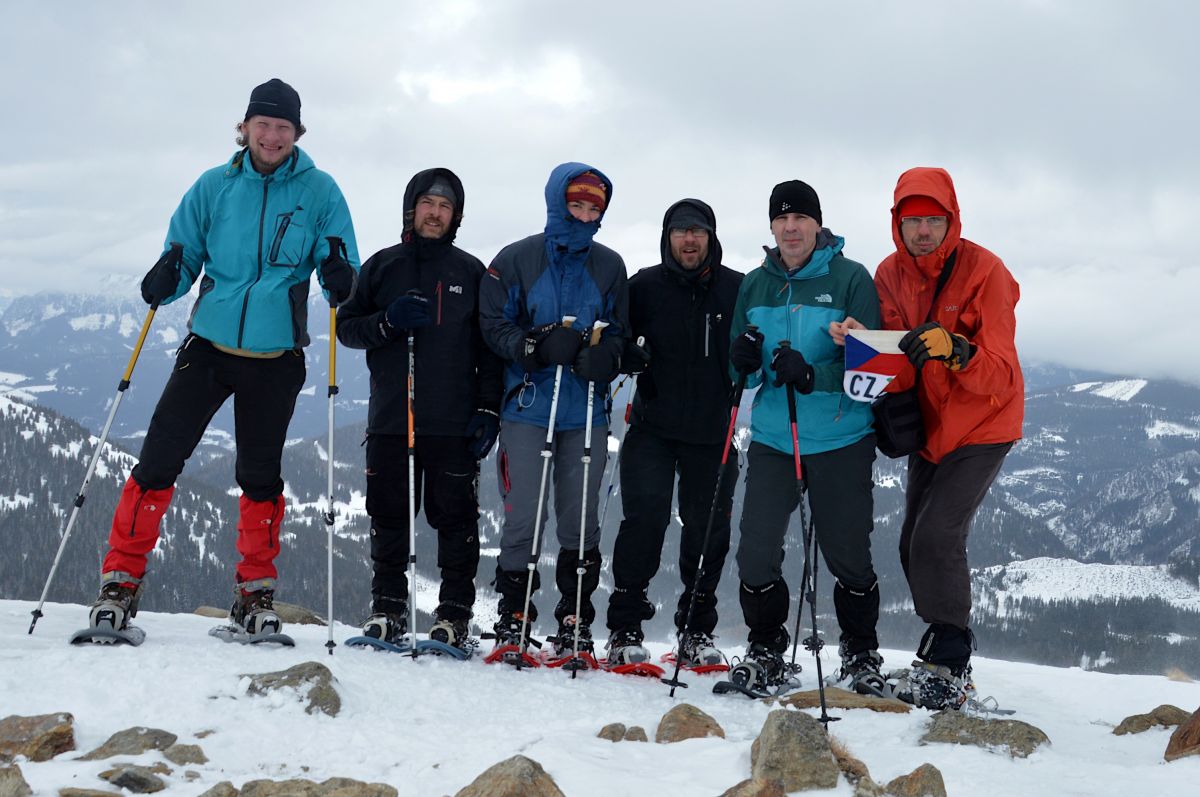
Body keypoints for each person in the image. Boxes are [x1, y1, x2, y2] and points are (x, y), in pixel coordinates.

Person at [87, 79, 359, 637]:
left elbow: (341, 262)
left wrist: (340, 276)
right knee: (159, 460)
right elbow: (183, 254)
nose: (273, 135)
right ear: (246, 128)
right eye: (264, 124)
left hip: (276, 356)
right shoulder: (214, 186)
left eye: (284, 127)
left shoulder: (321, 190)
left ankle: (255, 594)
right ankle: (120, 580)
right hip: (207, 348)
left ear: (297, 134)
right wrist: (168, 276)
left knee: (260, 476)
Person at [833, 166, 1023, 709]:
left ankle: (950, 658)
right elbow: (898, 364)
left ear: (950, 220)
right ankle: (940, 642)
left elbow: (1003, 372)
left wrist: (957, 350)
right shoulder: (889, 274)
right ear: (898, 222)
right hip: (933, 427)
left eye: (933, 220)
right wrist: (858, 344)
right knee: (911, 541)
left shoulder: (986, 272)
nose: (922, 230)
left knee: (938, 536)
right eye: (912, 220)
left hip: (984, 422)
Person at [336, 168, 503, 651]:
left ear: (457, 216)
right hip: (392, 418)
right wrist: (387, 322)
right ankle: (387, 609)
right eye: (428, 203)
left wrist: (489, 409)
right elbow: (348, 328)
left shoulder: (471, 272)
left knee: (455, 521)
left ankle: (453, 615)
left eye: (445, 206)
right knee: (389, 517)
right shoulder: (383, 266)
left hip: (454, 423)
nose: (435, 213)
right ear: (412, 208)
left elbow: (488, 347)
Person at [726, 179, 883, 693]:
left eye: (800, 219)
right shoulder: (755, 284)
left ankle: (861, 655)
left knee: (848, 556)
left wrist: (814, 375)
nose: (791, 228)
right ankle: (766, 646)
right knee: (755, 551)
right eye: (781, 219)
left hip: (840, 438)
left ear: (818, 224)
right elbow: (740, 372)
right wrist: (744, 364)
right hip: (775, 436)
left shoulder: (851, 279)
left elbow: (873, 368)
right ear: (771, 226)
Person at [479, 163, 628, 662]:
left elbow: (622, 333)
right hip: (527, 406)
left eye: (594, 208)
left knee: (580, 520)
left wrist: (607, 357)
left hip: (585, 408)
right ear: (557, 202)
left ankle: (575, 615)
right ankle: (514, 613)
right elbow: (492, 323)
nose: (585, 215)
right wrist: (532, 349)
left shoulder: (609, 266)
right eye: (577, 204)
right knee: (522, 515)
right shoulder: (517, 259)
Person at [604, 199, 743, 670]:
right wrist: (626, 355)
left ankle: (696, 629)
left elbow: (755, 356)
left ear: (711, 237)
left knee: (708, 533)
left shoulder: (736, 290)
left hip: (713, 432)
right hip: (652, 428)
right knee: (643, 522)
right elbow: (616, 340)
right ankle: (624, 626)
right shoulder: (643, 287)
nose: (689, 240)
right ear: (667, 236)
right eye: (681, 231)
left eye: (698, 232)